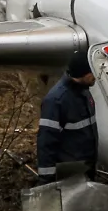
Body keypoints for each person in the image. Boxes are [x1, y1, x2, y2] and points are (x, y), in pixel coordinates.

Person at [37, 51, 98, 180]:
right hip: (69, 174)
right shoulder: (56, 101)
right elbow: (46, 143)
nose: (96, 76)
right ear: (85, 74)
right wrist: (47, 181)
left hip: (86, 169)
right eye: (93, 72)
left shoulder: (84, 92)